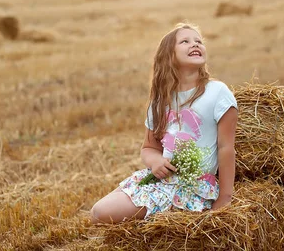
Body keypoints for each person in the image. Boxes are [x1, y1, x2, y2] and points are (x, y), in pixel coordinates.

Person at [90, 22, 238, 224]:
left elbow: (225, 147)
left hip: (190, 187)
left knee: (101, 213)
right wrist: (155, 162)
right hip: (161, 179)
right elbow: (149, 147)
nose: (195, 44)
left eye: (198, 41)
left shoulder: (217, 92)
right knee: (98, 214)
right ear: (169, 56)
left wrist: (225, 197)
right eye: (185, 41)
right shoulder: (160, 101)